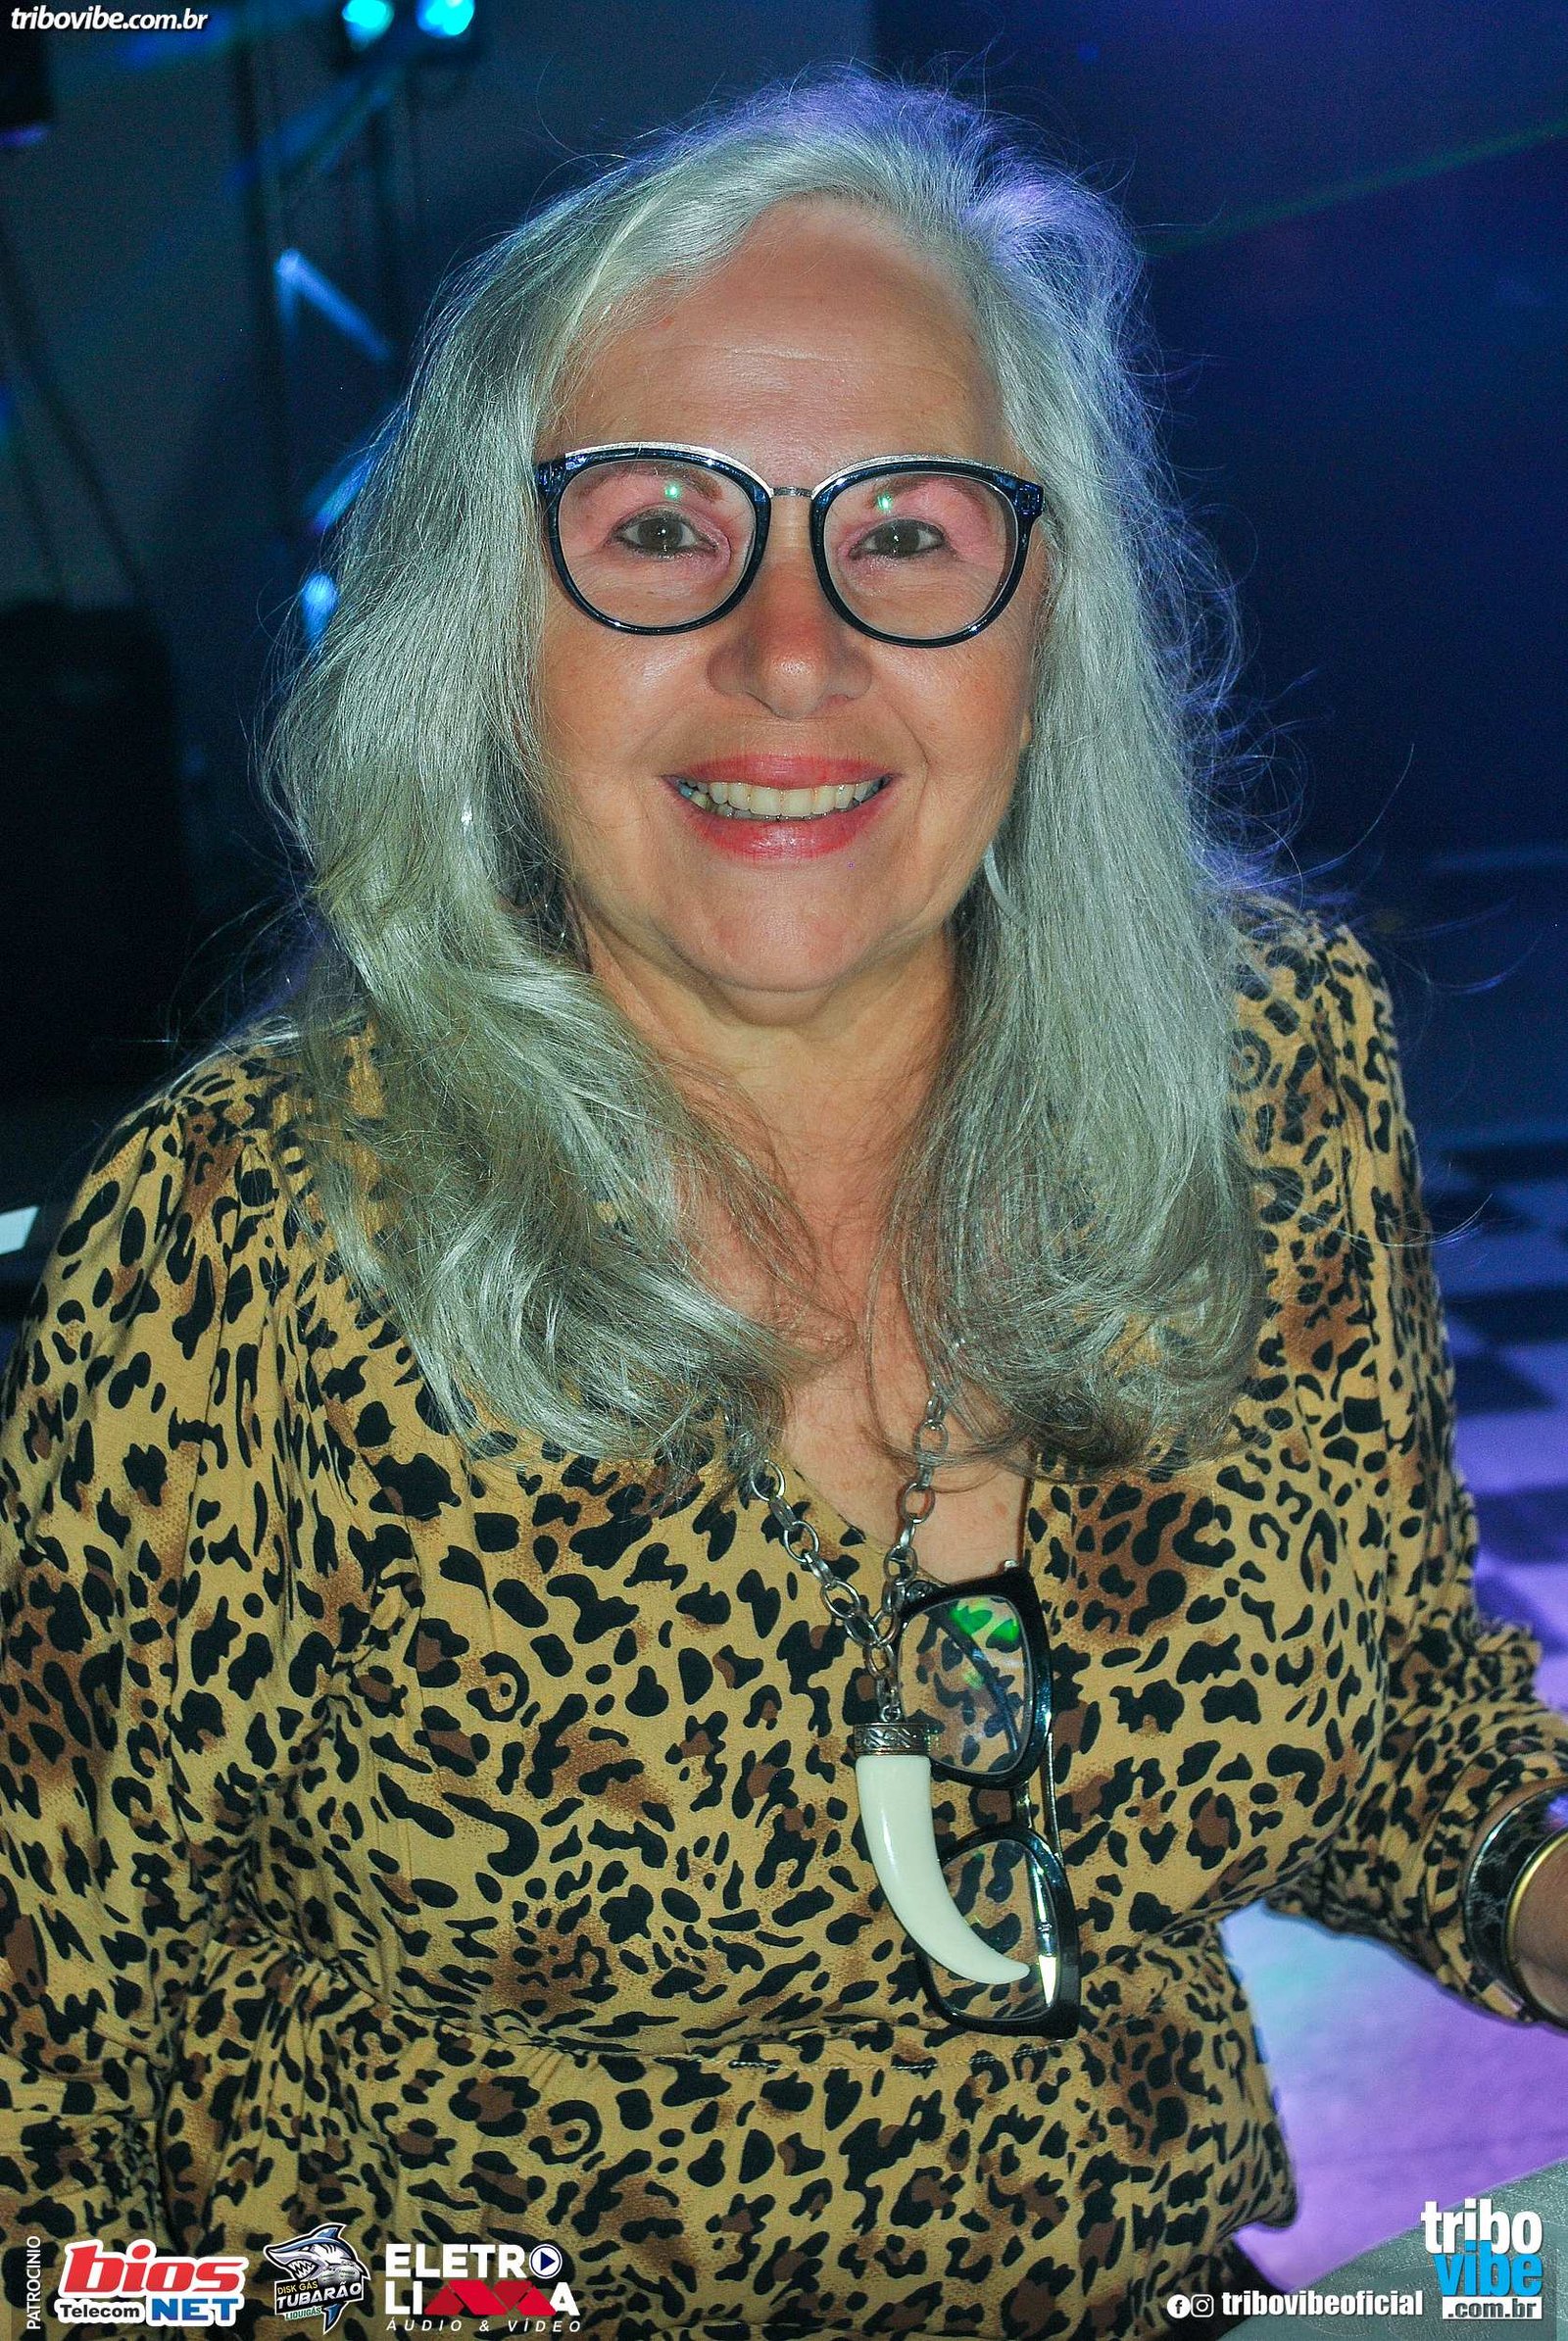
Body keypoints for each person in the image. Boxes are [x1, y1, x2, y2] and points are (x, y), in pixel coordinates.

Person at [2, 67, 1566, 2341]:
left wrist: (1538, 1877)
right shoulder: (237, 1245)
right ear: (490, 629)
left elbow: (1385, 1717)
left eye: (905, 532)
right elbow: (41, 2145)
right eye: (660, 528)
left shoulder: (1256, 1070)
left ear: (1041, 622)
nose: (791, 648)